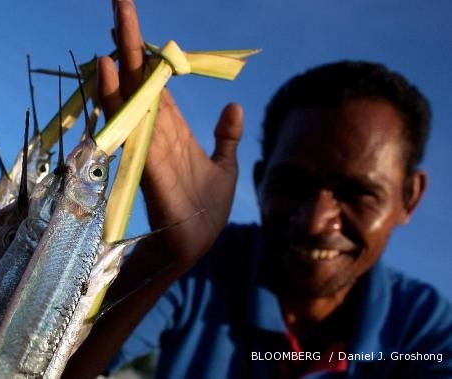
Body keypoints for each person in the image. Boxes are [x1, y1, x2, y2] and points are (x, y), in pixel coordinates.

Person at [63, 0, 452, 378]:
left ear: (409, 196)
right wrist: (166, 255)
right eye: (291, 185)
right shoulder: (206, 266)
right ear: (260, 180)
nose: (316, 221)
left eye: (358, 194)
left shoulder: (425, 327)